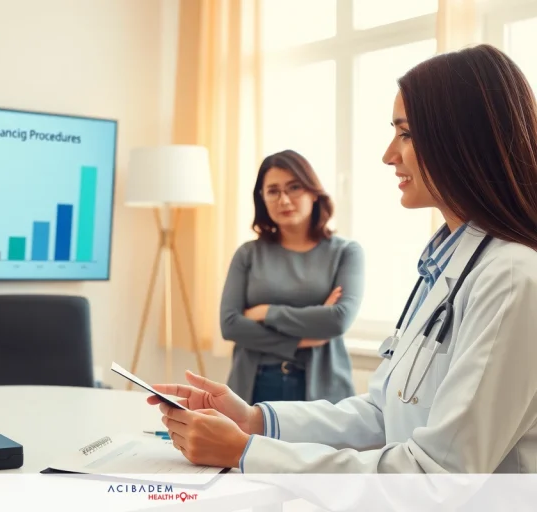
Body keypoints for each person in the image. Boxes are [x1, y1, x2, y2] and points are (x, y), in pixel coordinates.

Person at [148, 43, 537, 473]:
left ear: (461, 139)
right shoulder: (445, 267)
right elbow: (382, 415)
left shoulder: (511, 277)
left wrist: (246, 452)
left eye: (405, 134)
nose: (389, 155)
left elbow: (433, 476)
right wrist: (254, 420)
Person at [220, 150, 365, 406]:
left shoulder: (345, 252)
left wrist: (266, 312)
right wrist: (306, 337)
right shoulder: (248, 254)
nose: (284, 199)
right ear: (262, 198)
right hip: (254, 386)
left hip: (323, 389)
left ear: (313, 192)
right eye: (273, 191)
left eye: (294, 187)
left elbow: (338, 320)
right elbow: (230, 325)